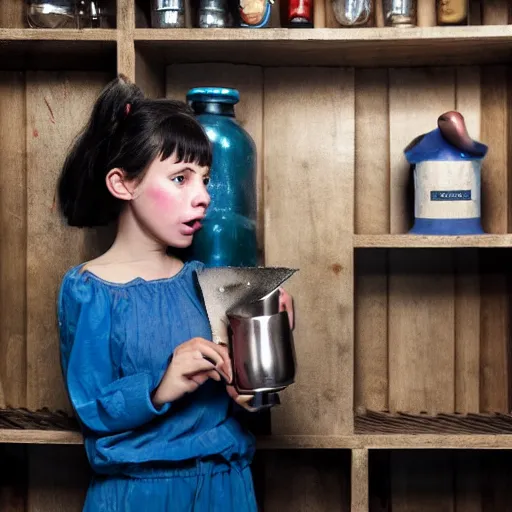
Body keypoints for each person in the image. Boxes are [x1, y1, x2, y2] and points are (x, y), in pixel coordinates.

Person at [56, 74, 294, 511]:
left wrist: (258, 368)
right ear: (123, 183)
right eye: (181, 178)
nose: (202, 197)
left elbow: (244, 406)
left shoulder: (208, 283)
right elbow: (90, 407)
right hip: (137, 493)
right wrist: (162, 385)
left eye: (205, 179)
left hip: (226, 488)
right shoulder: (88, 289)